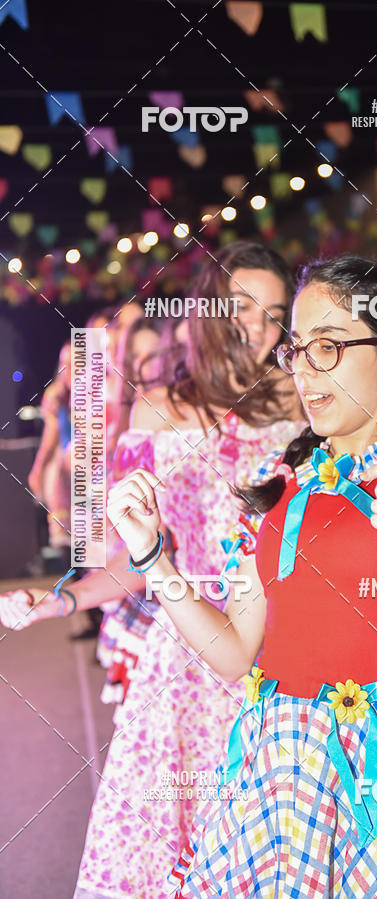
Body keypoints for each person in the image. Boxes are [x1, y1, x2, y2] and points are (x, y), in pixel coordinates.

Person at [106, 256, 377, 898]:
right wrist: (153, 557)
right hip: (266, 764)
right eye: (298, 350)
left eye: (329, 348)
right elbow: (231, 654)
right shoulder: (284, 478)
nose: (305, 371)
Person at [0, 242, 305, 898]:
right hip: (190, 658)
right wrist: (58, 602)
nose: (259, 326)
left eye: (276, 313)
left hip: (289, 655)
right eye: (243, 307)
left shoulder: (305, 403)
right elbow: (139, 557)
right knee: (177, 851)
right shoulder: (159, 410)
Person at [28, 341, 72, 570]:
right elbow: (50, 437)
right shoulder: (56, 394)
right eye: (66, 363)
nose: (71, 368)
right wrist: (39, 468)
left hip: (87, 468)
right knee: (66, 536)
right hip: (64, 470)